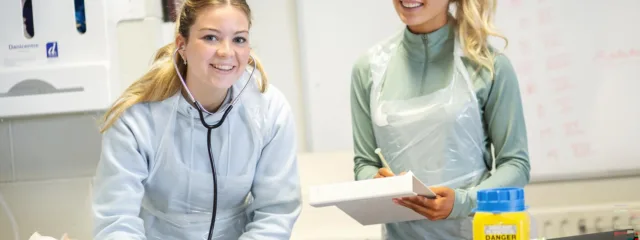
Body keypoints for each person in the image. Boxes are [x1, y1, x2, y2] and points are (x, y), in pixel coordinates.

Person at [91, 0, 302, 239]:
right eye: (211, 37)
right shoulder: (136, 119)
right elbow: (117, 220)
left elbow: (275, 212)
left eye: (239, 39)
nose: (226, 51)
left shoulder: (270, 111)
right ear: (182, 45)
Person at [349, 0, 531, 239]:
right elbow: (364, 163)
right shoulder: (369, 69)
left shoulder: (488, 65)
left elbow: (516, 165)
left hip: (470, 232)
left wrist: (463, 202)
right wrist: (376, 181)